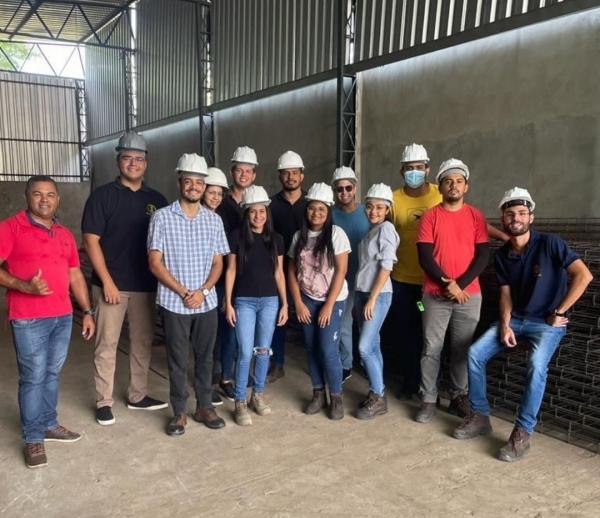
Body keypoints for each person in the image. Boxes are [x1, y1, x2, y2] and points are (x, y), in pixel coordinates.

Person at [453, 187, 593, 461]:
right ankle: (480, 415)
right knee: (475, 353)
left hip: (547, 323)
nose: (515, 218)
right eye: (510, 214)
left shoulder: (550, 243)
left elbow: (583, 276)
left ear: (531, 216)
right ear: (502, 219)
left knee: (536, 365)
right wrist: (505, 324)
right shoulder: (503, 254)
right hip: (517, 319)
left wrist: (560, 310)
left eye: (521, 213)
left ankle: (522, 432)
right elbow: (505, 294)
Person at [0, 176, 95, 469]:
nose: (45, 200)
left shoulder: (64, 233)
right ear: (28, 197)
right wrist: (23, 286)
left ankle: (48, 424)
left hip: (62, 315)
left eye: (51, 195)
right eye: (38, 194)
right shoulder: (10, 228)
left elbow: (75, 275)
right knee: (33, 377)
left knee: (52, 373)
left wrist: (87, 310)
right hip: (29, 319)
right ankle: (32, 437)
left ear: (58, 200)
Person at [82, 131, 168, 426]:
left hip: (145, 286)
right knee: (107, 343)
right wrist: (106, 281)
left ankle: (137, 394)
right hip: (111, 285)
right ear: (118, 160)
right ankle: (104, 400)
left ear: (147, 162)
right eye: (128, 158)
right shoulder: (103, 196)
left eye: (139, 159)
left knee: (142, 342)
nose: (133, 163)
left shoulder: (157, 200)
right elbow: (91, 240)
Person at [148, 153, 229, 436]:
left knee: (206, 357)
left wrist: (204, 290)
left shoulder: (213, 221)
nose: (194, 186)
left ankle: (205, 406)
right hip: (175, 303)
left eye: (199, 182)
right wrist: (184, 292)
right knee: (178, 358)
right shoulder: (162, 218)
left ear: (205, 185)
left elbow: (219, 262)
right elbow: (155, 263)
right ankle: (179, 411)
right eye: (188, 181)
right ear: (180, 182)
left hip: (206, 302)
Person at [416, 158, 490, 423]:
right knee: (430, 347)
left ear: (466, 186)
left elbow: (483, 255)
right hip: (433, 297)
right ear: (441, 186)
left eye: (459, 181)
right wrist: (449, 284)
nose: (454, 185)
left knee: (462, 348)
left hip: (469, 296)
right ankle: (428, 398)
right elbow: (424, 257)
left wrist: (460, 284)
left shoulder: (476, 216)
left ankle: (459, 396)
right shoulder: (430, 216)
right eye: (448, 181)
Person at [224, 186, 288, 425]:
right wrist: (228, 302)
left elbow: (279, 274)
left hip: (270, 301)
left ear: (267, 213)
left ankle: (257, 395)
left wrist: (284, 304)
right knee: (244, 351)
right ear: (246, 214)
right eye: (253, 212)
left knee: (263, 350)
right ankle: (240, 401)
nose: (258, 216)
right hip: (244, 301)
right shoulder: (236, 237)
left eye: (262, 211)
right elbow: (230, 271)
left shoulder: (277, 240)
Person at [288, 182, 350, 420]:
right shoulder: (298, 236)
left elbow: (341, 272)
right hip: (307, 299)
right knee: (312, 349)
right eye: (312, 209)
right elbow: (291, 272)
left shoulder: (336, 235)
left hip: (331, 300)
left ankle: (336, 396)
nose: (316, 214)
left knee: (328, 350)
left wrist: (328, 305)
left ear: (328, 212)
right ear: (307, 210)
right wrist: (299, 303)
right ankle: (317, 393)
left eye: (322, 209)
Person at [388, 143, 442, 400]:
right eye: (409, 168)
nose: (414, 172)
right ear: (401, 170)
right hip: (402, 281)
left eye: (419, 168)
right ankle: (410, 381)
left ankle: (430, 385)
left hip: (431, 282)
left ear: (428, 169)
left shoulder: (440, 196)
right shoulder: (393, 199)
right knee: (407, 331)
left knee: (430, 334)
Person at [354, 184, 400, 420]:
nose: (373, 211)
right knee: (373, 345)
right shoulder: (370, 232)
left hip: (378, 295)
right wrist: (360, 299)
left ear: (388, 209)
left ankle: (378, 395)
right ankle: (377, 391)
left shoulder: (387, 229)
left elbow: (386, 266)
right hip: (363, 294)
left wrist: (372, 298)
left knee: (364, 347)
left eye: (379, 207)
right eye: (370, 206)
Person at [267, 150, 308, 383]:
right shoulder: (271, 206)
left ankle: (317, 362)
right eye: (286, 173)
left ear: (302, 175)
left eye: (295, 173)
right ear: (279, 176)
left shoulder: (312, 204)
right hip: (279, 270)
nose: (290, 177)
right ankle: (277, 362)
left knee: (310, 316)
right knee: (278, 317)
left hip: (309, 272)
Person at [331, 166, 370, 383]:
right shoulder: (331, 215)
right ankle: (346, 364)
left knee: (367, 323)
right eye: (339, 189)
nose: (344, 192)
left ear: (355, 188)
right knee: (344, 324)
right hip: (342, 279)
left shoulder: (367, 212)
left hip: (366, 279)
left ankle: (366, 362)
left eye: (348, 188)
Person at [201, 166, 235, 405]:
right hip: (200, 285)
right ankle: (209, 382)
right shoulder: (192, 215)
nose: (215, 197)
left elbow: (226, 257)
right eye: (211, 192)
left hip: (222, 284)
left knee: (227, 334)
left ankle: (226, 378)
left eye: (219, 193)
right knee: (206, 338)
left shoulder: (223, 217)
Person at [217, 146, 258, 234]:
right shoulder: (220, 199)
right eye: (239, 170)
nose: (243, 175)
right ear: (231, 172)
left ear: (254, 175)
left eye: (248, 171)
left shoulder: (259, 201)